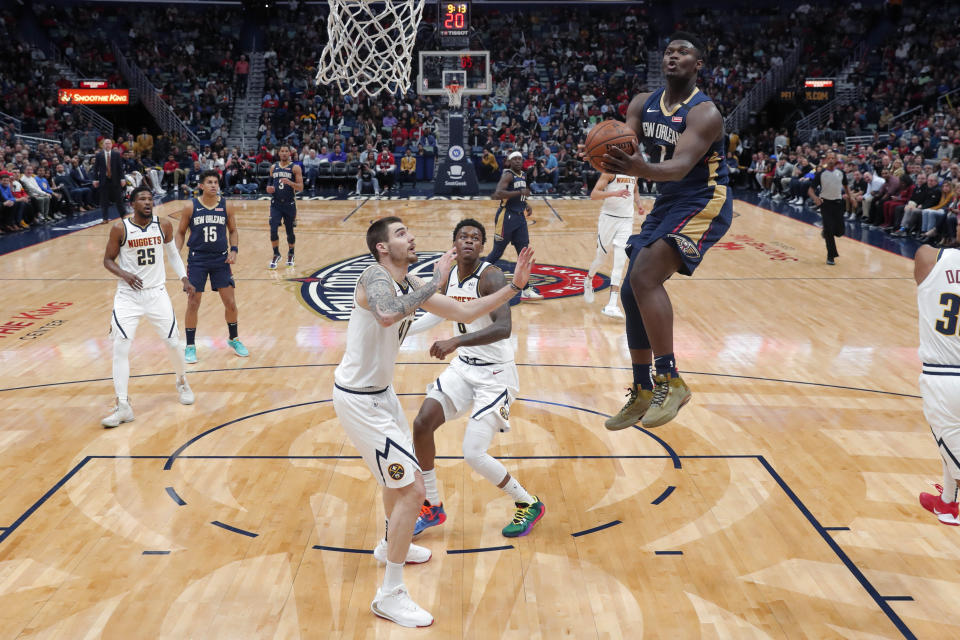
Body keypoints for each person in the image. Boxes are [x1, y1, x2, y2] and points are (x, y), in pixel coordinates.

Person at [333, 216, 535, 627]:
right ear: (383, 248)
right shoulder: (374, 276)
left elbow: (468, 308)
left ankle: (396, 544)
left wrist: (514, 287)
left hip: (381, 397)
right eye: (402, 234)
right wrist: (435, 280)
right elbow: (389, 314)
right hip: (359, 402)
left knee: (399, 485)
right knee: (411, 492)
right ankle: (390, 594)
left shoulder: (408, 286)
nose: (413, 237)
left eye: (411, 230)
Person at [600, 32, 733, 429]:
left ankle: (671, 380)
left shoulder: (704, 113)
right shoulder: (642, 103)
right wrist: (601, 150)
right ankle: (642, 389)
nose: (673, 56)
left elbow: (678, 167)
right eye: (669, 51)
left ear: (698, 65)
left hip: (704, 198)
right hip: (669, 201)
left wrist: (637, 168)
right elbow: (626, 146)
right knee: (630, 288)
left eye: (684, 52)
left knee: (643, 275)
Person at [407, 219, 545, 539]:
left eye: (475, 237)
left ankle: (528, 503)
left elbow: (503, 327)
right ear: (454, 243)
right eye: (463, 236)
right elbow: (440, 312)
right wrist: (400, 331)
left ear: (482, 246)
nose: (469, 241)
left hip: (495, 375)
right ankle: (433, 505)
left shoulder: (491, 276)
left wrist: (455, 342)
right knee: (422, 423)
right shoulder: (451, 275)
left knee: (473, 454)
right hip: (464, 367)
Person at [101, 186, 195, 428]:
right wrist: (124, 274)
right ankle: (123, 405)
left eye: (150, 199)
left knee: (174, 343)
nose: (147, 202)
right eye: (142, 199)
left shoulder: (163, 225)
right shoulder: (120, 228)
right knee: (120, 347)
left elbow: (173, 254)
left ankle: (182, 380)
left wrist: (183, 278)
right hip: (128, 296)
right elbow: (107, 260)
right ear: (132, 203)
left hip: (156, 293)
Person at [174, 170, 248, 364]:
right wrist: (176, 252)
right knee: (193, 302)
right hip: (197, 260)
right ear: (201, 186)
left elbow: (233, 230)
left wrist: (234, 250)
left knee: (230, 303)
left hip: (221, 260)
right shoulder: (190, 207)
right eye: (209, 182)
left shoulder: (226, 205)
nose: (214, 185)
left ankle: (234, 339)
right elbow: (181, 232)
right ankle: (190, 345)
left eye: (216, 182)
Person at [915, 240, 960, 526]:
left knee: (953, 445)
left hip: (943, 377)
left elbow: (925, 249)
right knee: (949, 446)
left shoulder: (928, 258)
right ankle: (947, 505)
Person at [584, 173, 645, 318]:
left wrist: (639, 205)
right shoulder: (610, 172)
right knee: (601, 258)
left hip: (626, 220)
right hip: (608, 219)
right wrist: (614, 193)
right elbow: (594, 194)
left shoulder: (634, 172)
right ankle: (588, 280)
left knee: (620, 262)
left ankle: (612, 304)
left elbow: (635, 189)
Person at [487, 151, 542, 300]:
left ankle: (525, 289)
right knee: (497, 253)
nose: (518, 161)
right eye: (515, 159)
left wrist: (526, 204)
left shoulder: (523, 175)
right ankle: (473, 278)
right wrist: (519, 193)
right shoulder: (508, 174)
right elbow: (498, 193)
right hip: (506, 217)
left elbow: (520, 194)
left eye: (520, 159)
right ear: (509, 162)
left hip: (519, 218)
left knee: (523, 254)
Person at [808, 152, 849, 265]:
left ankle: (826, 231)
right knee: (830, 231)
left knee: (840, 232)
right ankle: (831, 256)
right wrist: (815, 198)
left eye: (833, 158)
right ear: (826, 160)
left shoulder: (841, 173)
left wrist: (851, 198)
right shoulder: (821, 174)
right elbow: (810, 190)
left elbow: (846, 187)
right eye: (829, 158)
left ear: (836, 160)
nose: (831, 160)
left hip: (839, 204)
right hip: (825, 204)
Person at [266, 144, 303, 269]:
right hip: (275, 204)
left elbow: (301, 187)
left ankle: (291, 253)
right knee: (273, 229)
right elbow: (268, 185)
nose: (284, 153)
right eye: (282, 151)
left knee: (289, 231)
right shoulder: (273, 167)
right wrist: (269, 189)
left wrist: (290, 183)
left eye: (286, 151)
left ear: (289, 153)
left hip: (289, 204)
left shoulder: (295, 168)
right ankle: (276, 253)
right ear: (278, 153)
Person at [94, 138, 125, 223]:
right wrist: (95, 179)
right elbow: (95, 168)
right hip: (104, 180)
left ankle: (123, 216)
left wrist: (122, 178)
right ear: (103, 145)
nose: (107, 145)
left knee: (119, 199)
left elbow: (120, 168)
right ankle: (105, 218)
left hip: (115, 179)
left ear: (111, 145)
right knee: (104, 200)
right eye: (106, 143)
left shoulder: (116, 154)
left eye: (109, 143)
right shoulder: (99, 155)